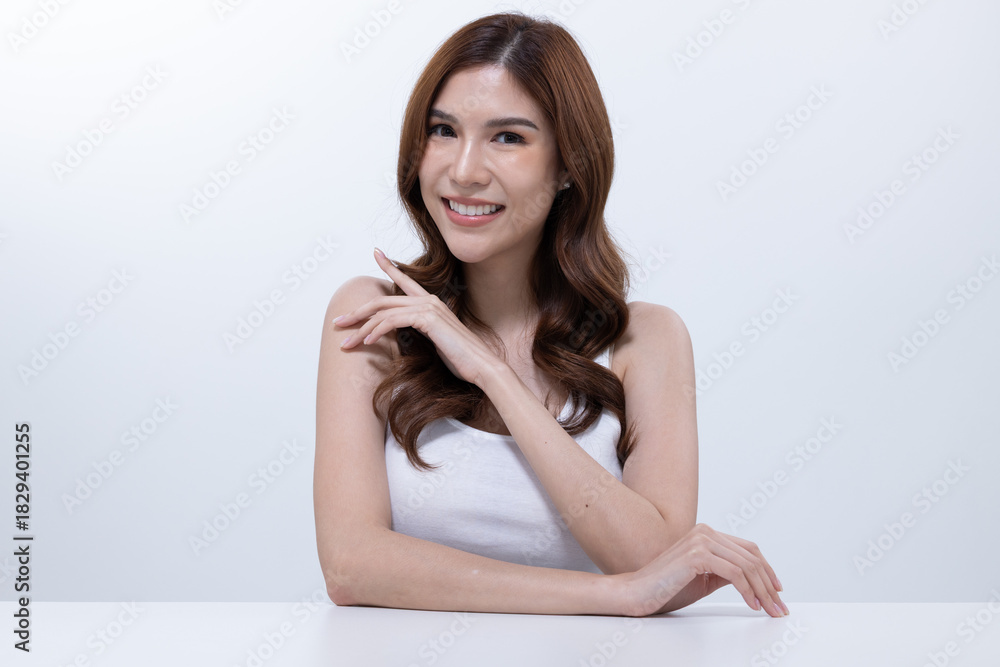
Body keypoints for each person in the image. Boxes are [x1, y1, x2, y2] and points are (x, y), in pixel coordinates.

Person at [313, 11, 788, 618]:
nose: (464, 171)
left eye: (508, 138)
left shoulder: (645, 340)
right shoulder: (375, 317)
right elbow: (351, 565)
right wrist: (612, 595)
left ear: (567, 165)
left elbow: (654, 559)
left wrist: (493, 375)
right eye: (443, 130)